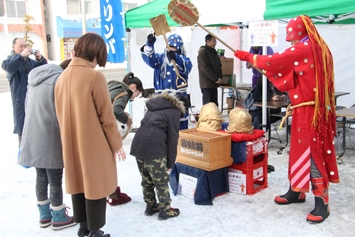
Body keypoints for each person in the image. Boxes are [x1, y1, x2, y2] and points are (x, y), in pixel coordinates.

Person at [234, 15, 340, 224]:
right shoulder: (318, 47)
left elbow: (274, 62)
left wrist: (246, 56)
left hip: (310, 112)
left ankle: (322, 201)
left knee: (312, 154)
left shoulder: (303, 48)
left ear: (298, 34)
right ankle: (296, 190)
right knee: (300, 150)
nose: (290, 42)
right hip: (310, 110)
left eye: (291, 38)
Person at [55, 33, 124, 237]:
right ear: (96, 52)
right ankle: (95, 231)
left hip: (70, 142)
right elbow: (107, 116)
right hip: (93, 143)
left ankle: (83, 226)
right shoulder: (94, 76)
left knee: (79, 183)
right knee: (95, 184)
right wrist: (116, 144)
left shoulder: (63, 76)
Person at [18, 59, 76, 230]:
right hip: (50, 134)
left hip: (33, 133)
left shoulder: (35, 79)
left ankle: (44, 215)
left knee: (41, 176)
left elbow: (26, 106)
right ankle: (58, 216)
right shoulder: (59, 80)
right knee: (55, 178)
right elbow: (64, 110)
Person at [130, 92, 186, 220]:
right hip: (154, 147)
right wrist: (170, 163)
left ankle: (151, 207)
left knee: (147, 179)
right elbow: (173, 140)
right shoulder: (174, 112)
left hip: (139, 145)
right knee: (161, 181)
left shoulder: (155, 107)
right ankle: (165, 210)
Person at [106, 72, 144, 206]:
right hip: (105, 131)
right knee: (108, 162)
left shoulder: (112, 87)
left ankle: (109, 192)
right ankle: (113, 194)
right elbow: (117, 110)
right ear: (133, 87)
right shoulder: (124, 92)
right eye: (136, 94)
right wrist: (127, 119)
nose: (133, 98)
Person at [1, 37, 48, 146]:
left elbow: (44, 71)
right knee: (22, 126)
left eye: (25, 46)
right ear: (13, 47)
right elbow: (10, 67)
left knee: (36, 123)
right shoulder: (9, 61)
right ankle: (22, 150)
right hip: (20, 98)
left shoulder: (30, 62)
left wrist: (40, 59)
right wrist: (21, 56)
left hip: (33, 97)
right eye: (20, 46)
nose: (24, 48)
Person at [140, 33, 192, 129]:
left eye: (174, 47)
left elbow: (186, 68)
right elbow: (150, 59)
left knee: (179, 126)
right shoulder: (160, 59)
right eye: (169, 46)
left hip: (178, 98)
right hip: (161, 98)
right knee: (162, 124)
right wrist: (149, 45)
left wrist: (176, 58)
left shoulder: (184, 60)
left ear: (179, 48)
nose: (170, 49)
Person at [197, 34, 223, 106]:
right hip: (207, 84)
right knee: (207, 105)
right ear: (208, 41)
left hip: (214, 84)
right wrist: (215, 78)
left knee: (214, 104)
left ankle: (214, 117)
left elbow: (219, 66)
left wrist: (220, 77)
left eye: (215, 41)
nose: (215, 43)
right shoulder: (203, 53)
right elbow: (205, 68)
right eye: (214, 41)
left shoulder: (214, 52)